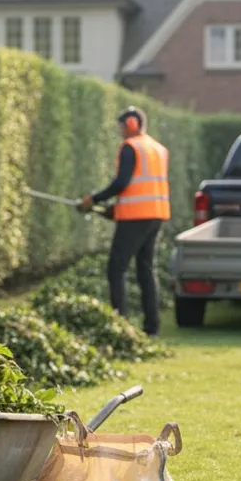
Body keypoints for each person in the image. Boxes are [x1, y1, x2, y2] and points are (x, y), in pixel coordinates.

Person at [78, 107, 171, 336]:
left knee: (116, 268)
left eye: (121, 127)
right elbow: (143, 185)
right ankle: (152, 327)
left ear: (130, 124)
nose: (120, 132)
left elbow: (122, 182)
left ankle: (120, 325)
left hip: (135, 216)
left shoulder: (131, 147)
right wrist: (112, 209)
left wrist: (94, 199)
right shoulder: (158, 148)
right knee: (146, 269)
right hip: (156, 214)